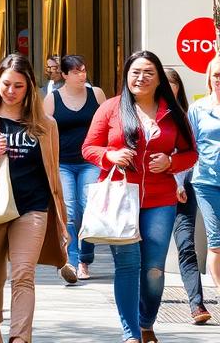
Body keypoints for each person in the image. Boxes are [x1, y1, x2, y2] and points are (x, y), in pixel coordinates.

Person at [82, 49, 197, 343]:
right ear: (126, 76)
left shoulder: (174, 114)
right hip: (121, 197)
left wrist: (171, 163)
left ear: (159, 78)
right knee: (128, 265)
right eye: (135, 72)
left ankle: (146, 322)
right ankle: (131, 333)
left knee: (154, 270)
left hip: (160, 200)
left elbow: (191, 154)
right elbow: (89, 148)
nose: (141, 77)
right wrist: (112, 154)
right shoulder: (110, 108)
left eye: (148, 72)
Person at [0, 53, 71, 343]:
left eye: (18, 86)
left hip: (32, 208)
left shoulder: (46, 124)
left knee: (23, 274)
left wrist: (60, 213)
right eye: (6, 84)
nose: (11, 91)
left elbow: (52, 171)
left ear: (30, 86)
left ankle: (20, 338)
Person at [43, 54, 106, 280]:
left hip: (90, 161)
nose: (82, 75)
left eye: (84, 70)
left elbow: (107, 124)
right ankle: (72, 259)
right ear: (65, 75)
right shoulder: (52, 98)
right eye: (77, 71)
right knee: (69, 211)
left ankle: (85, 259)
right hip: (63, 163)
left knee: (88, 209)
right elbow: (44, 131)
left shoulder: (96, 94)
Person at [165, 66, 210, 325]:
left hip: (182, 190)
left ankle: (196, 303)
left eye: (172, 92)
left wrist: (179, 183)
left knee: (186, 245)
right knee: (147, 249)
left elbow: (189, 156)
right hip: (152, 192)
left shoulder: (184, 117)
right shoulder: (141, 116)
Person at [186, 54, 220, 322]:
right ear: (209, 78)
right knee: (216, 242)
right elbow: (190, 147)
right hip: (207, 181)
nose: (219, 80)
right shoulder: (199, 108)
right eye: (216, 75)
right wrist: (180, 181)